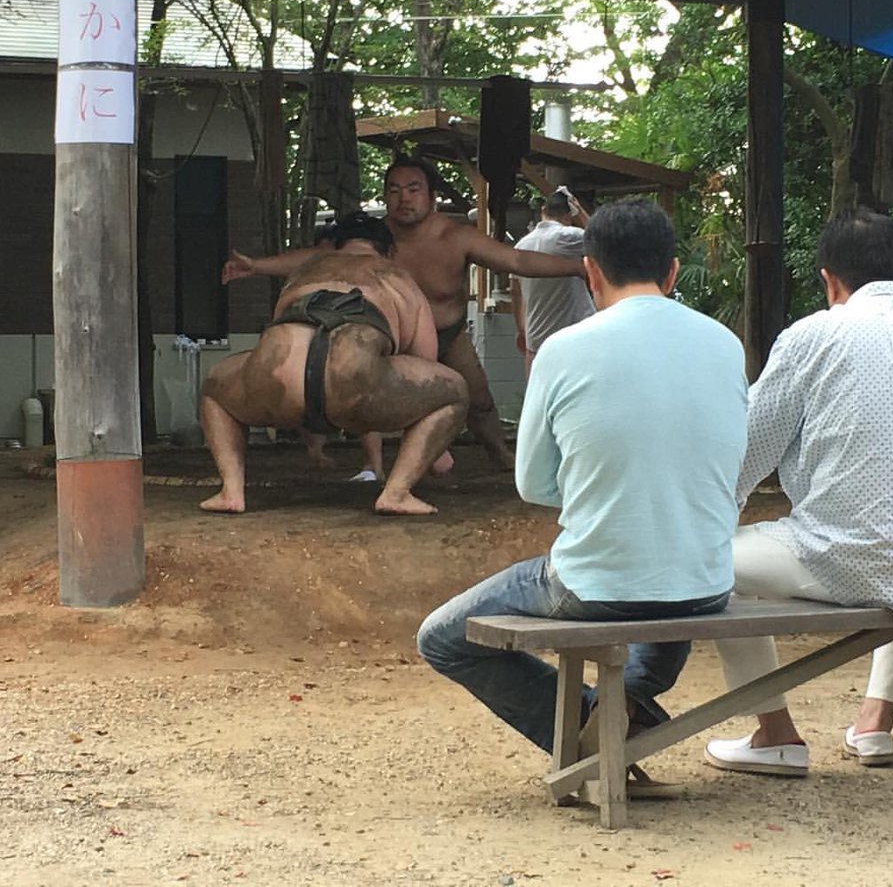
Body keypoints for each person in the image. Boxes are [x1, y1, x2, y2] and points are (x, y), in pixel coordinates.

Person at [417, 199, 747, 761]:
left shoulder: (564, 350)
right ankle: (620, 714)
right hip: (705, 584)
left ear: (590, 271)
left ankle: (588, 734)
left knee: (442, 639)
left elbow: (534, 485)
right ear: (670, 272)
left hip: (593, 584)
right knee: (656, 600)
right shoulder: (725, 343)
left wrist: (599, 488)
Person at [704, 207, 893, 777]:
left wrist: (708, 525)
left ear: (828, 280)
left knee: (709, 564)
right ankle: (875, 723)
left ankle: (774, 733)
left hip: (846, 558)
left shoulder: (811, 337)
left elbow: (744, 456)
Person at [222, 156, 586, 473]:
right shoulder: (373, 241)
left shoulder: (456, 237)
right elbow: (315, 260)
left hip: (447, 334)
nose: (403, 198)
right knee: (364, 391)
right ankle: (378, 468)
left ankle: (501, 457)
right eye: (393, 190)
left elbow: (518, 260)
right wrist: (256, 266)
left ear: (431, 196)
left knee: (479, 400)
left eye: (413, 189)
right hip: (387, 336)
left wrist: (577, 267)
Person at [199, 212, 468, 516]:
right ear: (389, 251)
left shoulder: (306, 271)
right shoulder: (395, 275)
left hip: (279, 375)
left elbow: (285, 334)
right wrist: (433, 446)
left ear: (334, 247)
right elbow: (424, 361)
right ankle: (396, 492)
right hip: (353, 380)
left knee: (214, 388)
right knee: (454, 391)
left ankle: (231, 490)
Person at [511, 188, 596, 375]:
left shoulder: (521, 246)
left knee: (541, 400)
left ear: (543, 211)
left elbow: (515, 292)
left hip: (536, 340)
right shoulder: (568, 237)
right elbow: (600, 239)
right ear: (568, 215)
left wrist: (522, 330)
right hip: (575, 337)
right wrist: (580, 211)